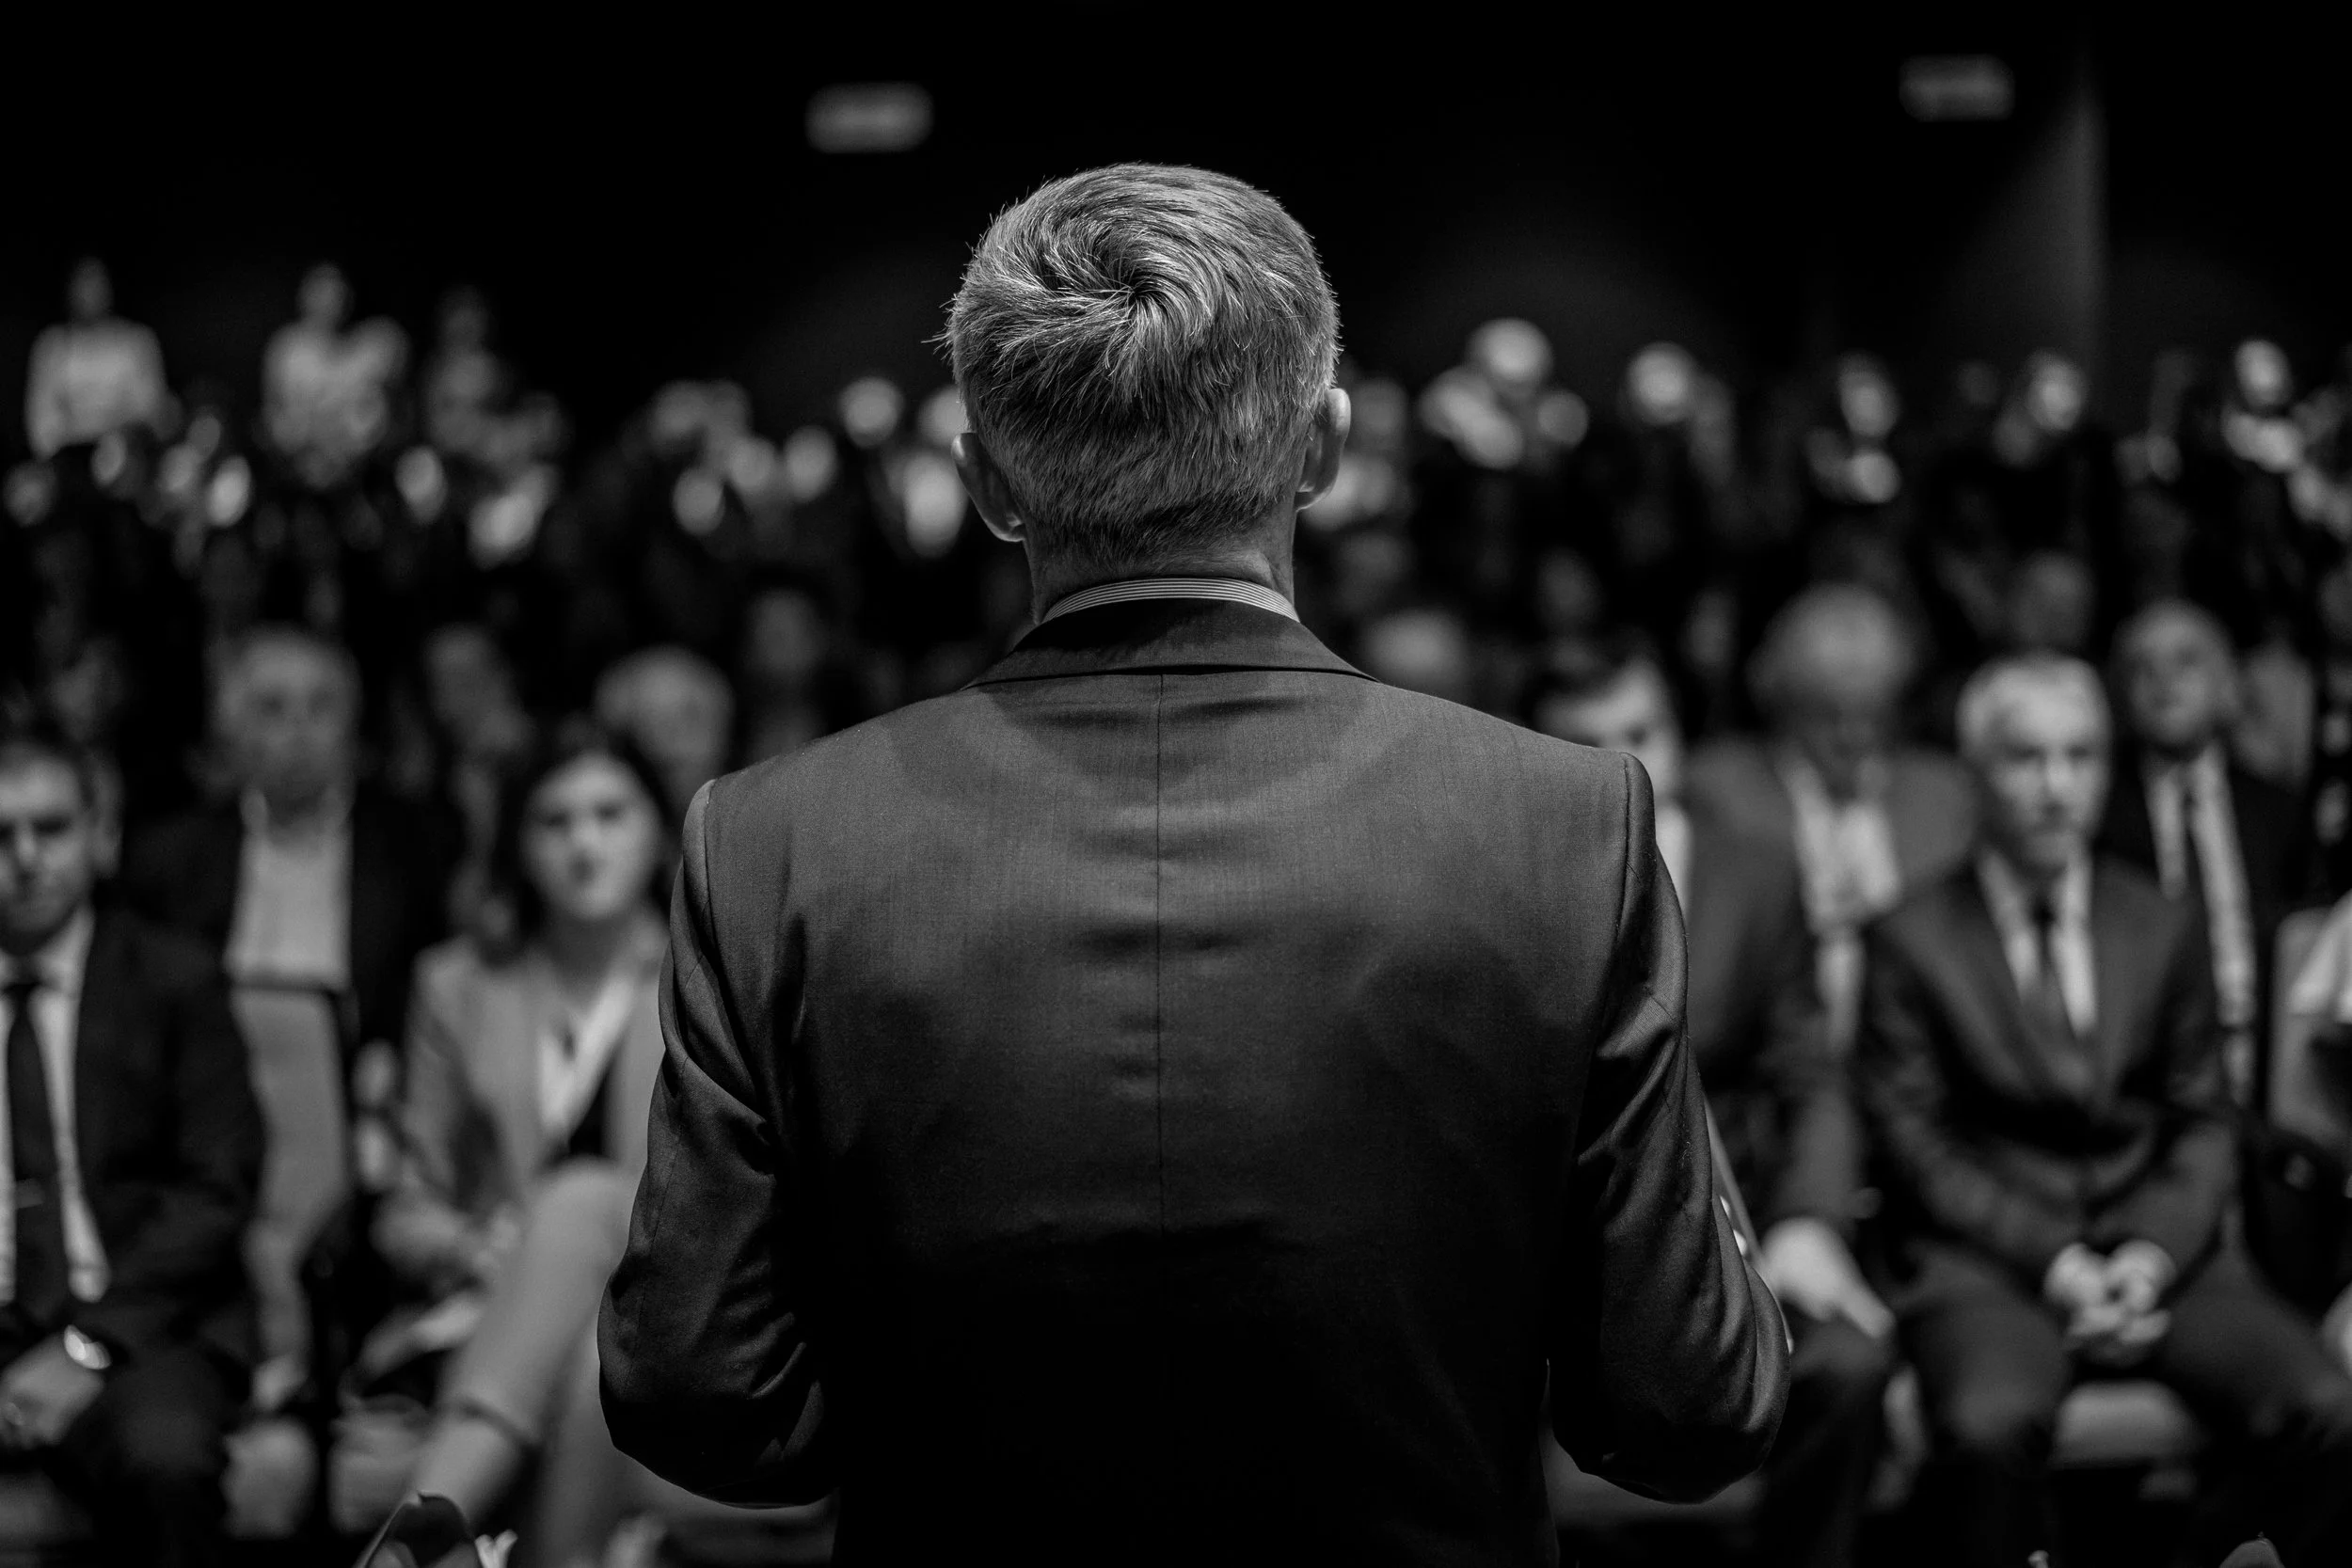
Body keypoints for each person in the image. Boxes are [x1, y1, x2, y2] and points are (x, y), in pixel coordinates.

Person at [600, 163, 1785, 1564]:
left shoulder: (772, 839)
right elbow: (1688, 1405)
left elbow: (693, 1389)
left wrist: (918, 1435)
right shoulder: (1565, 822)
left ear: (986, 483)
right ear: (1324, 446)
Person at [1857, 655, 2352, 1568]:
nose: (2057, 786)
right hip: (1989, 1263)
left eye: (2080, 756)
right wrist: (2059, 1264)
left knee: (2328, 1411)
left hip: (2161, 1249)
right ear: (1974, 774)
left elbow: (2205, 1116)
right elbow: (1916, 1147)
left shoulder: (2160, 920)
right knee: (1985, 1425)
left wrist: (2148, 1254)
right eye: (2027, 758)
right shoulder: (1908, 936)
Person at [1534, 643, 1893, 1568]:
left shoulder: (1755, 868)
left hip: (1734, 1223)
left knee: (1850, 1367)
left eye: (1641, 732)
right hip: (1575, 1247)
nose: (1623, 762)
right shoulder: (1515, 877)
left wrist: (1808, 1220)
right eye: (1586, 741)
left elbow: (1809, 1073)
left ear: (1680, 737)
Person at [365, 723, 672, 1562]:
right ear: (517, 845)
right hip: (491, 1308)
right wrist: (475, 1246)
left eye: (610, 813)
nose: (585, 845)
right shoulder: (458, 985)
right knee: (587, 1361)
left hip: (664, 1304)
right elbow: (405, 1209)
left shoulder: (708, 977)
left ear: (659, 830)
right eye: (555, 820)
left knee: (583, 1208)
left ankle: (414, 1537)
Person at [0, 721, 263, 1567]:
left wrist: (88, 1345)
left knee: (165, 1457)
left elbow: (217, 1190)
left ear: (102, 835)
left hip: (145, 1320)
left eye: (50, 828)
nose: (25, 856)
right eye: (1, 835)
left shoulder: (174, 979)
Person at [1688, 582, 1978, 1053]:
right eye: (1826, 714)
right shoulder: (1722, 793)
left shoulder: (1945, 796)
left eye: (1872, 713)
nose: (1853, 735)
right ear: (1784, 707)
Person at [2102, 599, 2316, 1104]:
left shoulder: (2277, 810)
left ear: (2227, 684)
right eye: (2143, 667)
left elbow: (2307, 937)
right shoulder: (2100, 813)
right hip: (2142, 1069)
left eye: (2186, 660)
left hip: (2266, 1055)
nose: (2164, 681)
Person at [24, 259, 167, 460]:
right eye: (83, 283)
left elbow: (151, 411)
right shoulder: (52, 346)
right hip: (70, 459)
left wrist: (110, 434)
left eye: (97, 284)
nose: (90, 293)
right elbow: (41, 425)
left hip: (129, 457)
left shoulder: (137, 341)